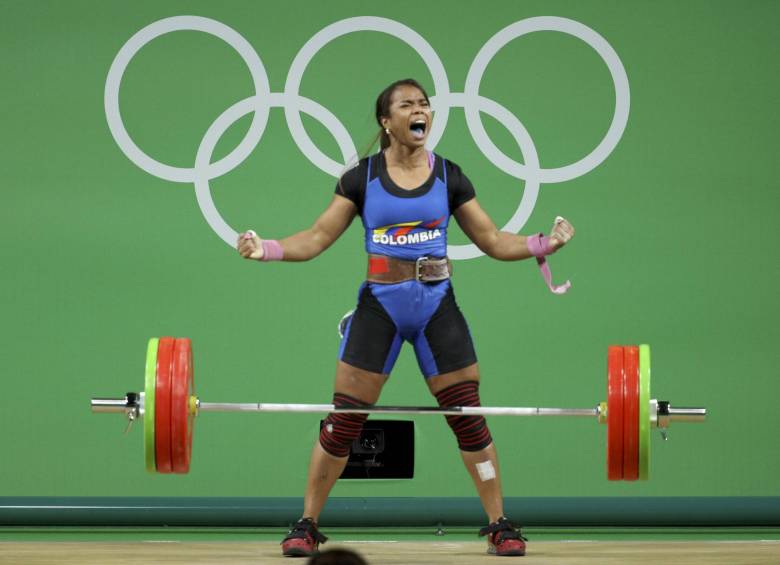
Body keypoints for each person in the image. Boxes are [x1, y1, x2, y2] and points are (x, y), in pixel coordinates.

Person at [237, 78, 575, 558]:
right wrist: (264, 249)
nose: (420, 111)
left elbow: (495, 240)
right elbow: (314, 238)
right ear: (387, 121)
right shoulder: (362, 177)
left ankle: (500, 524)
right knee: (344, 422)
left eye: (424, 104)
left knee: (469, 419)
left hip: (437, 307)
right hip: (381, 306)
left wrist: (544, 243)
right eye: (407, 105)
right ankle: (307, 524)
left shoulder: (450, 176)